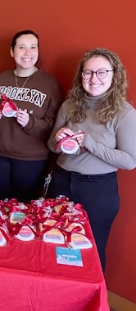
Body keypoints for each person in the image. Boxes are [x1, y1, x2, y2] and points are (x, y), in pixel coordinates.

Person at [47, 48, 136, 272]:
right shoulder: (70, 105)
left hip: (98, 191)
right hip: (61, 182)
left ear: (114, 75)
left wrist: (88, 141)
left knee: (91, 252)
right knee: (54, 244)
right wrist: (57, 139)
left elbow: (129, 161)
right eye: (88, 73)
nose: (93, 79)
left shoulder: (124, 113)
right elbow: (51, 146)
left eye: (101, 72)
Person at [0, 30, 62, 202]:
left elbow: (54, 126)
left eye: (33, 47)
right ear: (12, 52)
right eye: (22, 47)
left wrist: (30, 122)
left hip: (31, 158)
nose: (27, 53)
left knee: (24, 208)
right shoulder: (1, 78)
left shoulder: (49, 83)